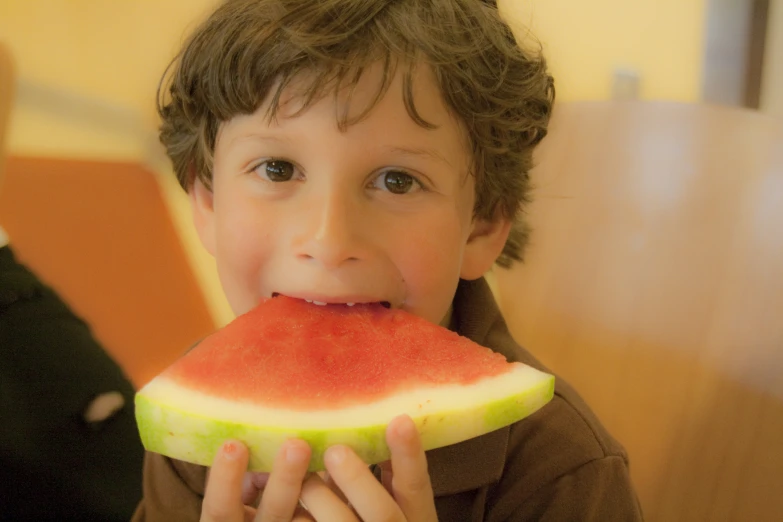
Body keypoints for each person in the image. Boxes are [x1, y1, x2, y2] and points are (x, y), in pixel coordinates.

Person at [133, 0, 643, 520]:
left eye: (397, 180)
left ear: (483, 224)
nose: (329, 240)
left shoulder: (564, 473)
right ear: (209, 200)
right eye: (278, 169)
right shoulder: (190, 431)